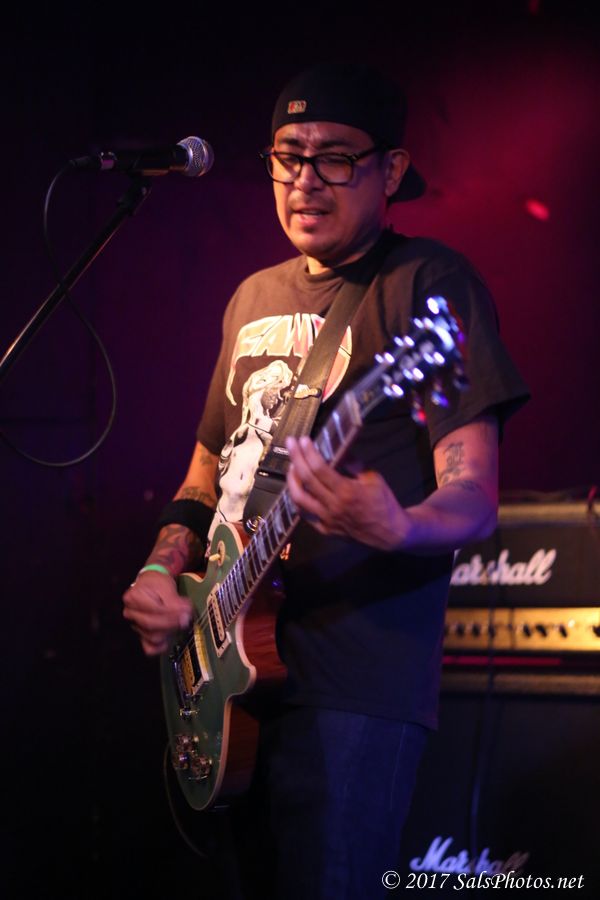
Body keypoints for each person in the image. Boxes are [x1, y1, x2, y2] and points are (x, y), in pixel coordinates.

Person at [122, 62, 529, 899]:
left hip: (354, 681)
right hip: (225, 678)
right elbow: (204, 476)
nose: (306, 179)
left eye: (335, 157)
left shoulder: (429, 286)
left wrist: (398, 524)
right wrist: (163, 569)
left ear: (391, 170)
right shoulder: (250, 298)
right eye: (288, 155)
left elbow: (474, 498)